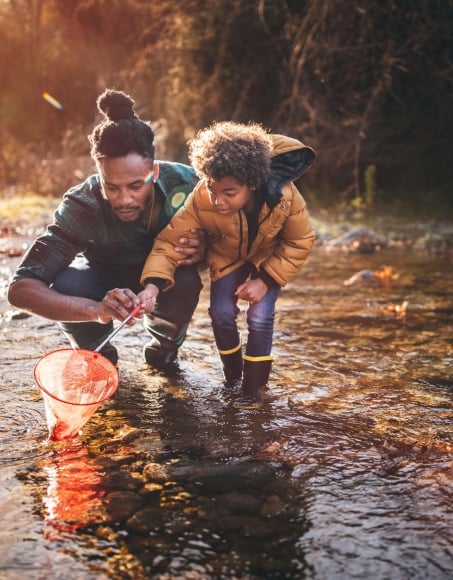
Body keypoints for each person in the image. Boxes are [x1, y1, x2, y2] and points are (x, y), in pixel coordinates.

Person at [7, 89, 205, 370]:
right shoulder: (82, 204)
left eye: (136, 186)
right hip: (100, 279)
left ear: (155, 172)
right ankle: (99, 360)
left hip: (165, 280)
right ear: (99, 173)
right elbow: (21, 289)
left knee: (187, 280)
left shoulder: (188, 185)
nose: (124, 199)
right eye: (111, 187)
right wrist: (94, 311)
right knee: (67, 284)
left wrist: (205, 249)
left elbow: (239, 234)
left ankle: (164, 350)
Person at [137, 121, 316, 403]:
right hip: (227, 256)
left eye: (229, 193)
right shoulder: (201, 198)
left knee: (259, 316)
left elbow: (301, 240)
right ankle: (233, 380)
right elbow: (170, 242)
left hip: (268, 259)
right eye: (212, 188)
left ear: (252, 183)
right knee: (220, 313)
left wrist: (266, 280)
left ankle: (253, 390)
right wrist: (152, 285)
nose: (218, 200)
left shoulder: (285, 196)